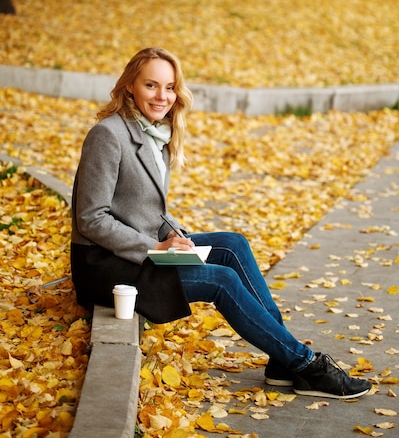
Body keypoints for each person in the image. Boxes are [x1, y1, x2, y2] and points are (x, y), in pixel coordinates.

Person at [71, 47, 372, 399]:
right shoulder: (108, 135)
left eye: (169, 87)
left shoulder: (157, 134)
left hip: (142, 250)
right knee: (222, 280)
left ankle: (282, 361)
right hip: (107, 265)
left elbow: (146, 205)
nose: (162, 96)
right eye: (151, 85)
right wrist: (155, 246)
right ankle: (307, 365)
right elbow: (90, 218)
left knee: (233, 244)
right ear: (129, 88)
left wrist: (172, 233)